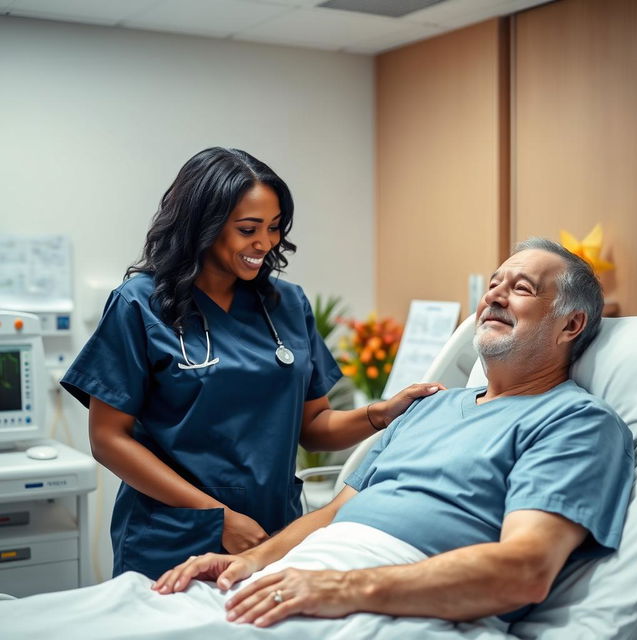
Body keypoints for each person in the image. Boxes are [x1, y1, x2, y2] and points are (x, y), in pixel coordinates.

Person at [1, 238, 633, 639]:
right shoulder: (431, 408)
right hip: (294, 569)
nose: (494, 294)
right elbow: (336, 510)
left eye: (520, 287)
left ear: (572, 322)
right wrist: (249, 561)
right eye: (493, 282)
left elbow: (523, 571)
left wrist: (338, 588)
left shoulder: (574, 423)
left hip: (381, 590)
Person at [59, 147, 441, 580]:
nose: (265, 243)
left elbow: (313, 427)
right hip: (172, 536)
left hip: (271, 534)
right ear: (202, 224)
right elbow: (109, 439)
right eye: (248, 229)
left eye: (275, 227)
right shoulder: (140, 305)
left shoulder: (287, 305)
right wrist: (218, 516)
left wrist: (380, 414)